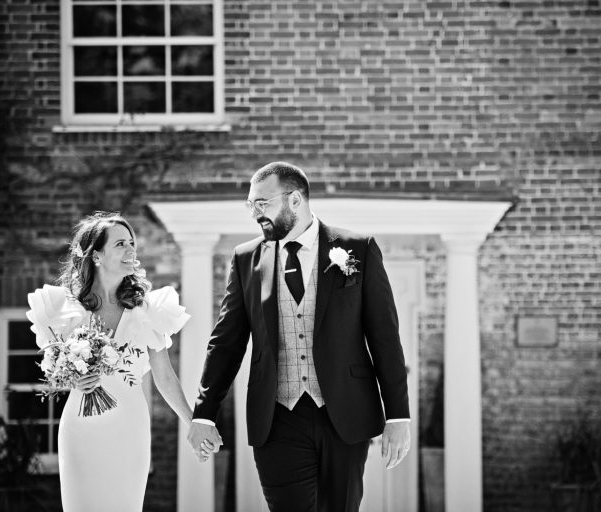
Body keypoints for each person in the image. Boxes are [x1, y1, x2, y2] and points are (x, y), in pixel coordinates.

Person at [188, 162, 412, 512]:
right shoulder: (246, 259)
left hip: (345, 416)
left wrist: (398, 415)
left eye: (262, 203)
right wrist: (204, 414)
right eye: (250, 205)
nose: (254, 214)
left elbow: (385, 337)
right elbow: (226, 342)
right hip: (277, 419)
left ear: (294, 200)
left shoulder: (357, 249)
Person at [26, 212, 205, 512]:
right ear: (96, 255)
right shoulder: (64, 308)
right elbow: (53, 372)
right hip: (81, 430)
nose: (131, 250)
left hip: (129, 429)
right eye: (121, 243)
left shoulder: (147, 310)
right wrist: (73, 379)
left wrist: (194, 423)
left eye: (132, 242)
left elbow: (164, 376)